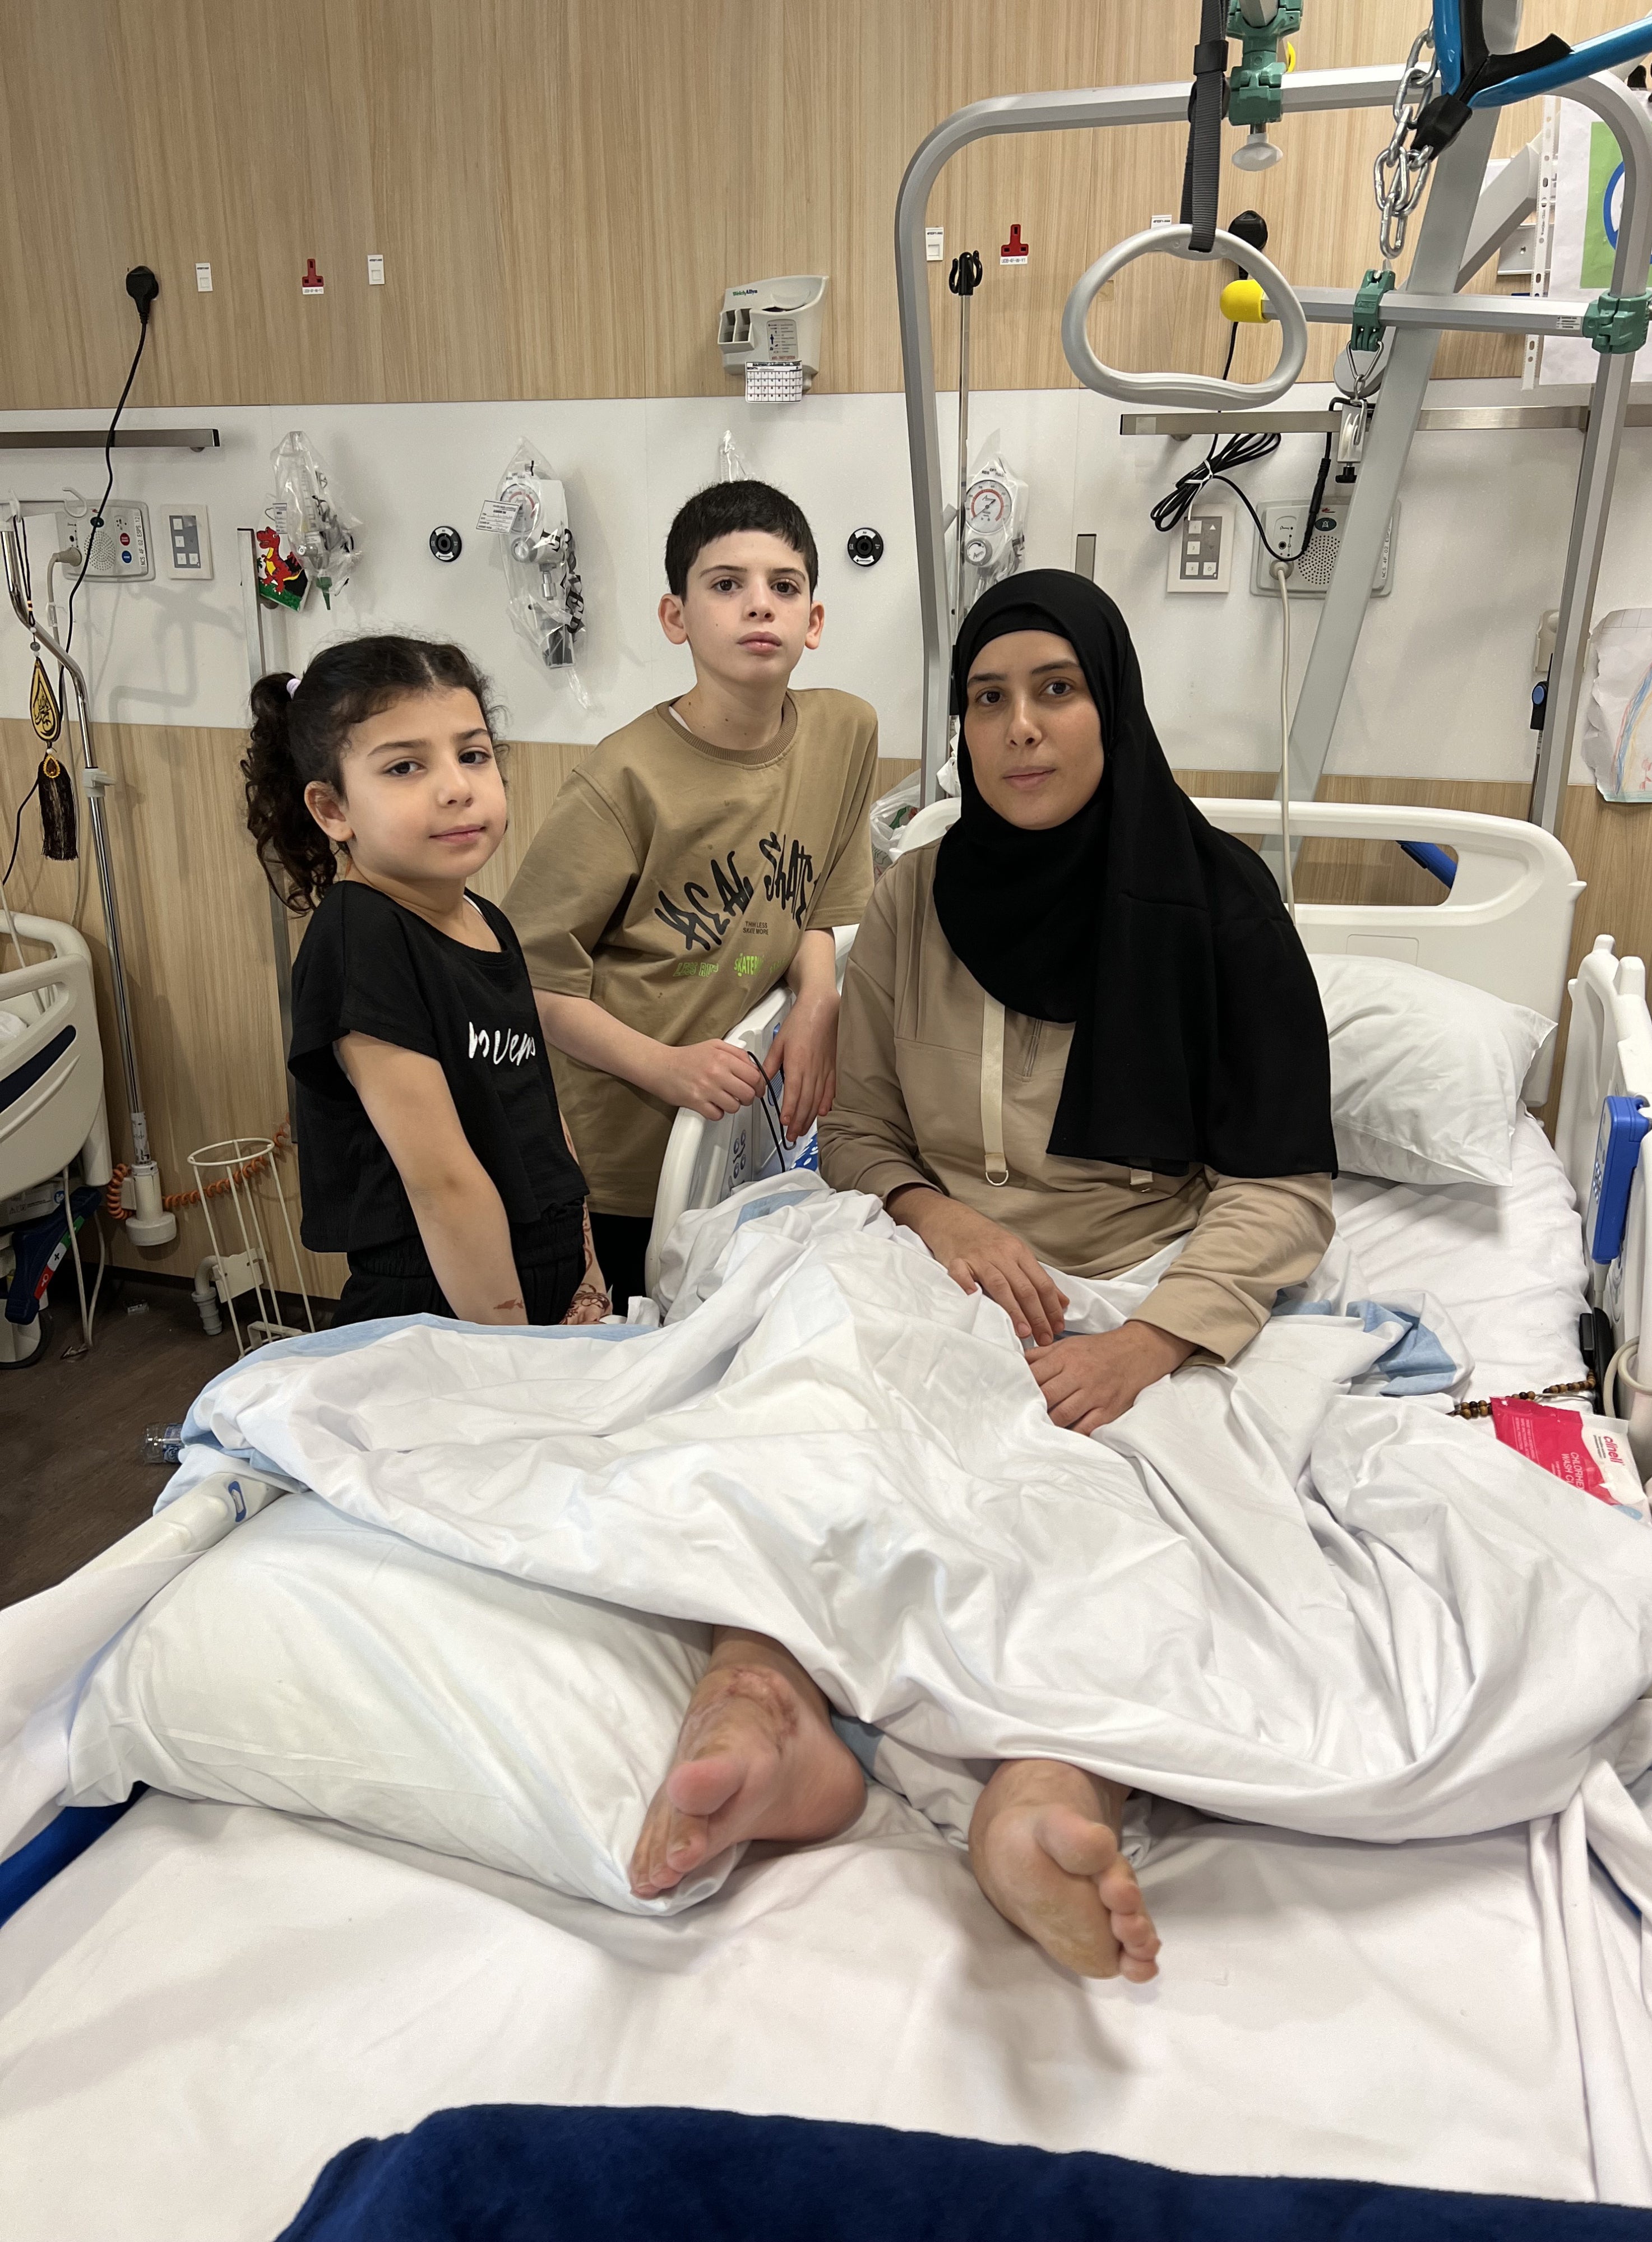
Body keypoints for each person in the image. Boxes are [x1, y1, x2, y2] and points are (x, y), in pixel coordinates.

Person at [630, 572, 1337, 1983]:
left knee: (1119, 1494)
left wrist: (1149, 1344)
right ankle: (758, 1708)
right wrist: (930, 1215)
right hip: (923, 1246)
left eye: (1055, 691)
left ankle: (1049, 1791)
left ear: (1110, 705)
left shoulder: (1222, 910)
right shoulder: (914, 898)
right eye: (988, 698)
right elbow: (867, 1127)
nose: (1020, 729)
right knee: (801, 1413)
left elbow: (1280, 1188)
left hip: (1137, 1268)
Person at [503, 479, 878, 1309]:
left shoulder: (844, 734)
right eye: (725, 585)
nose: (759, 606)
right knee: (643, 1355)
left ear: (814, 621)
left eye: (784, 586)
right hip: (626, 1150)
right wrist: (666, 1068)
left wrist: (817, 1001)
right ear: (676, 618)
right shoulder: (623, 780)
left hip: (747, 1134)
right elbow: (527, 981)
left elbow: (826, 902)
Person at [242, 636, 609, 1330]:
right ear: (332, 810)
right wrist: (510, 1348)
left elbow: (540, 1116)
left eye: (473, 754)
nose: (456, 786)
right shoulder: (361, 938)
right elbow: (441, 1184)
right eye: (406, 766)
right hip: (445, 1309)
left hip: (545, 1288)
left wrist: (588, 1276)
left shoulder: (487, 920)